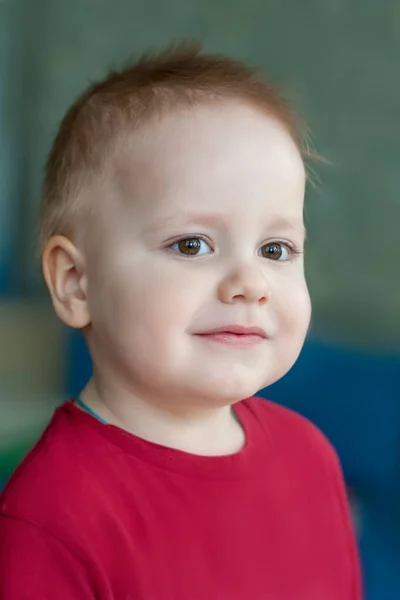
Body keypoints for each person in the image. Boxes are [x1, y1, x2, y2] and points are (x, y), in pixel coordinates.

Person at [0, 44, 362, 599]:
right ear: (76, 283)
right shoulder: (52, 517)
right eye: (192, 244)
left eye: (277, 248)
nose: (251, 282)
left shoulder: (309, 456)